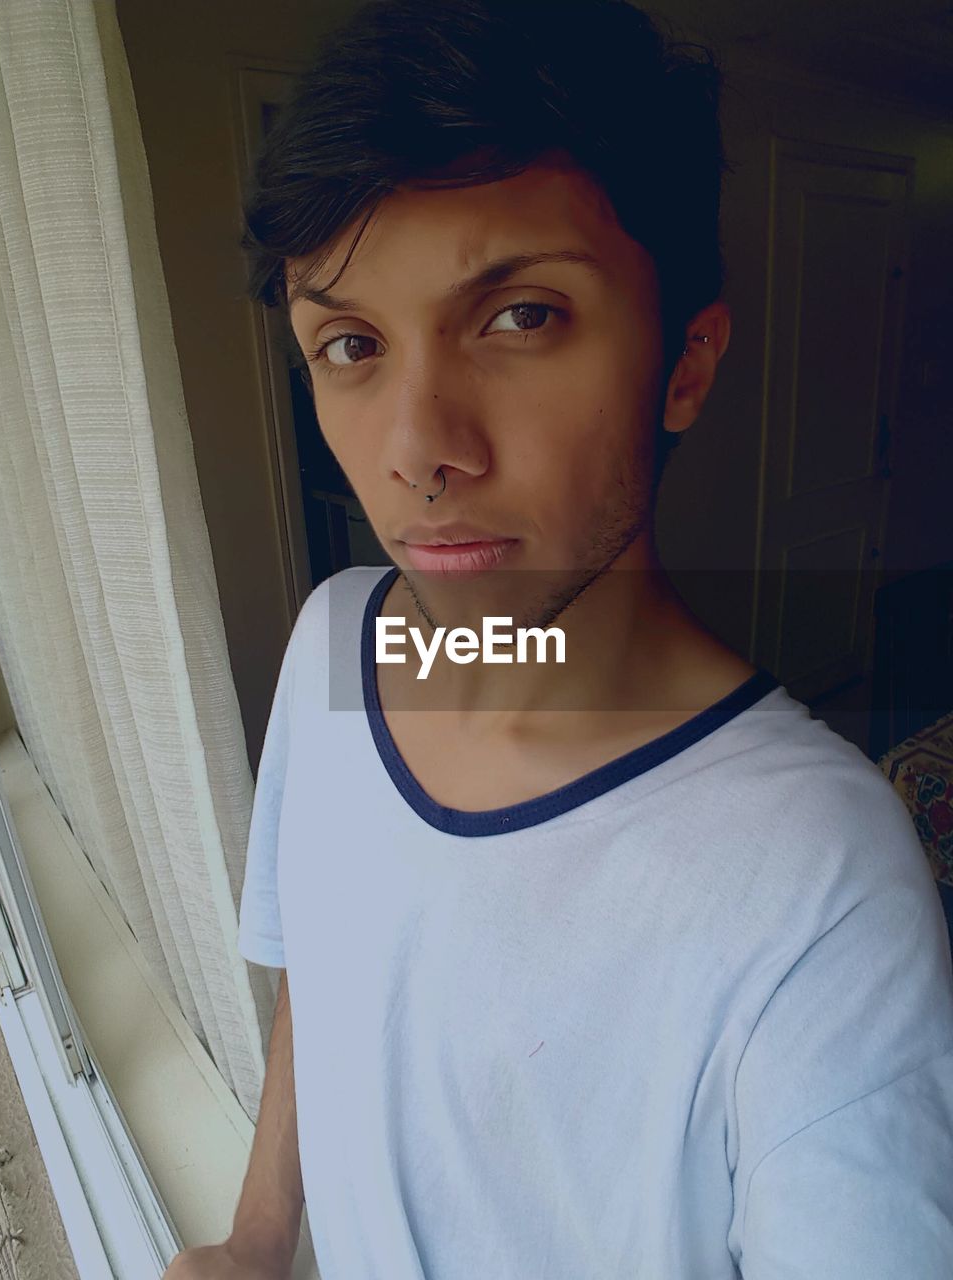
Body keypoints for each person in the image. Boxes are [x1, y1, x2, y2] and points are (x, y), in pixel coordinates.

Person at [164, 0, 953, 1276]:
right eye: (351, 343)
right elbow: (328, 959)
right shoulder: (336, 644)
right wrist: (261, 1238)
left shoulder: (820, 880)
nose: (420, 447)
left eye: (520, 316)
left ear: (685, 364)